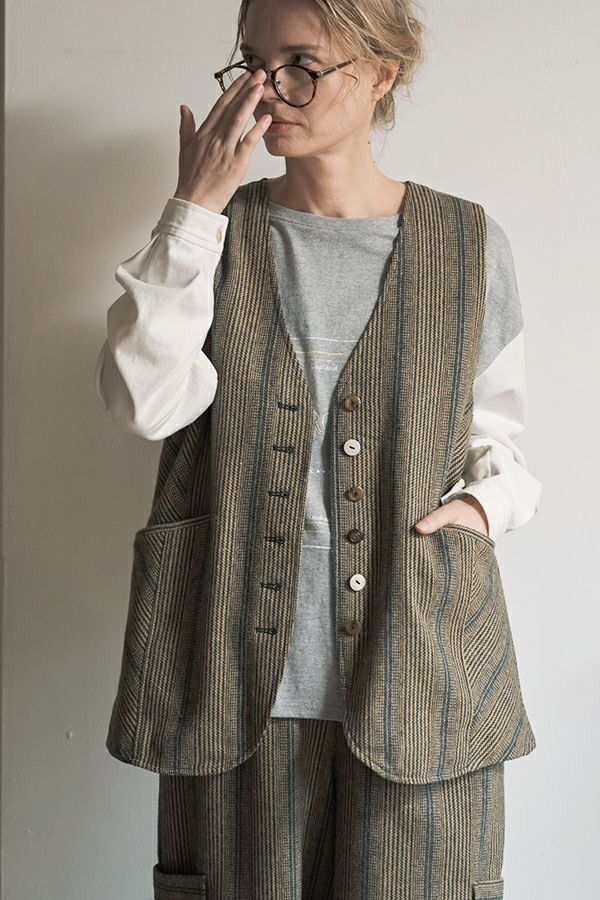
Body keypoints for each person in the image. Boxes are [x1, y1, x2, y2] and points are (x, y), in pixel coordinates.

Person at [96, 1, 542, 898]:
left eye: (302, 62)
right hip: (228, 684)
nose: (268, 90)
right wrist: (193, 208)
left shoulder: (468, 244)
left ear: (380, 73)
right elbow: (144, 404)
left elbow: (499, 439)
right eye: (253, 63)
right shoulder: (210, 236)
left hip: (423, 680)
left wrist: (482, 507)